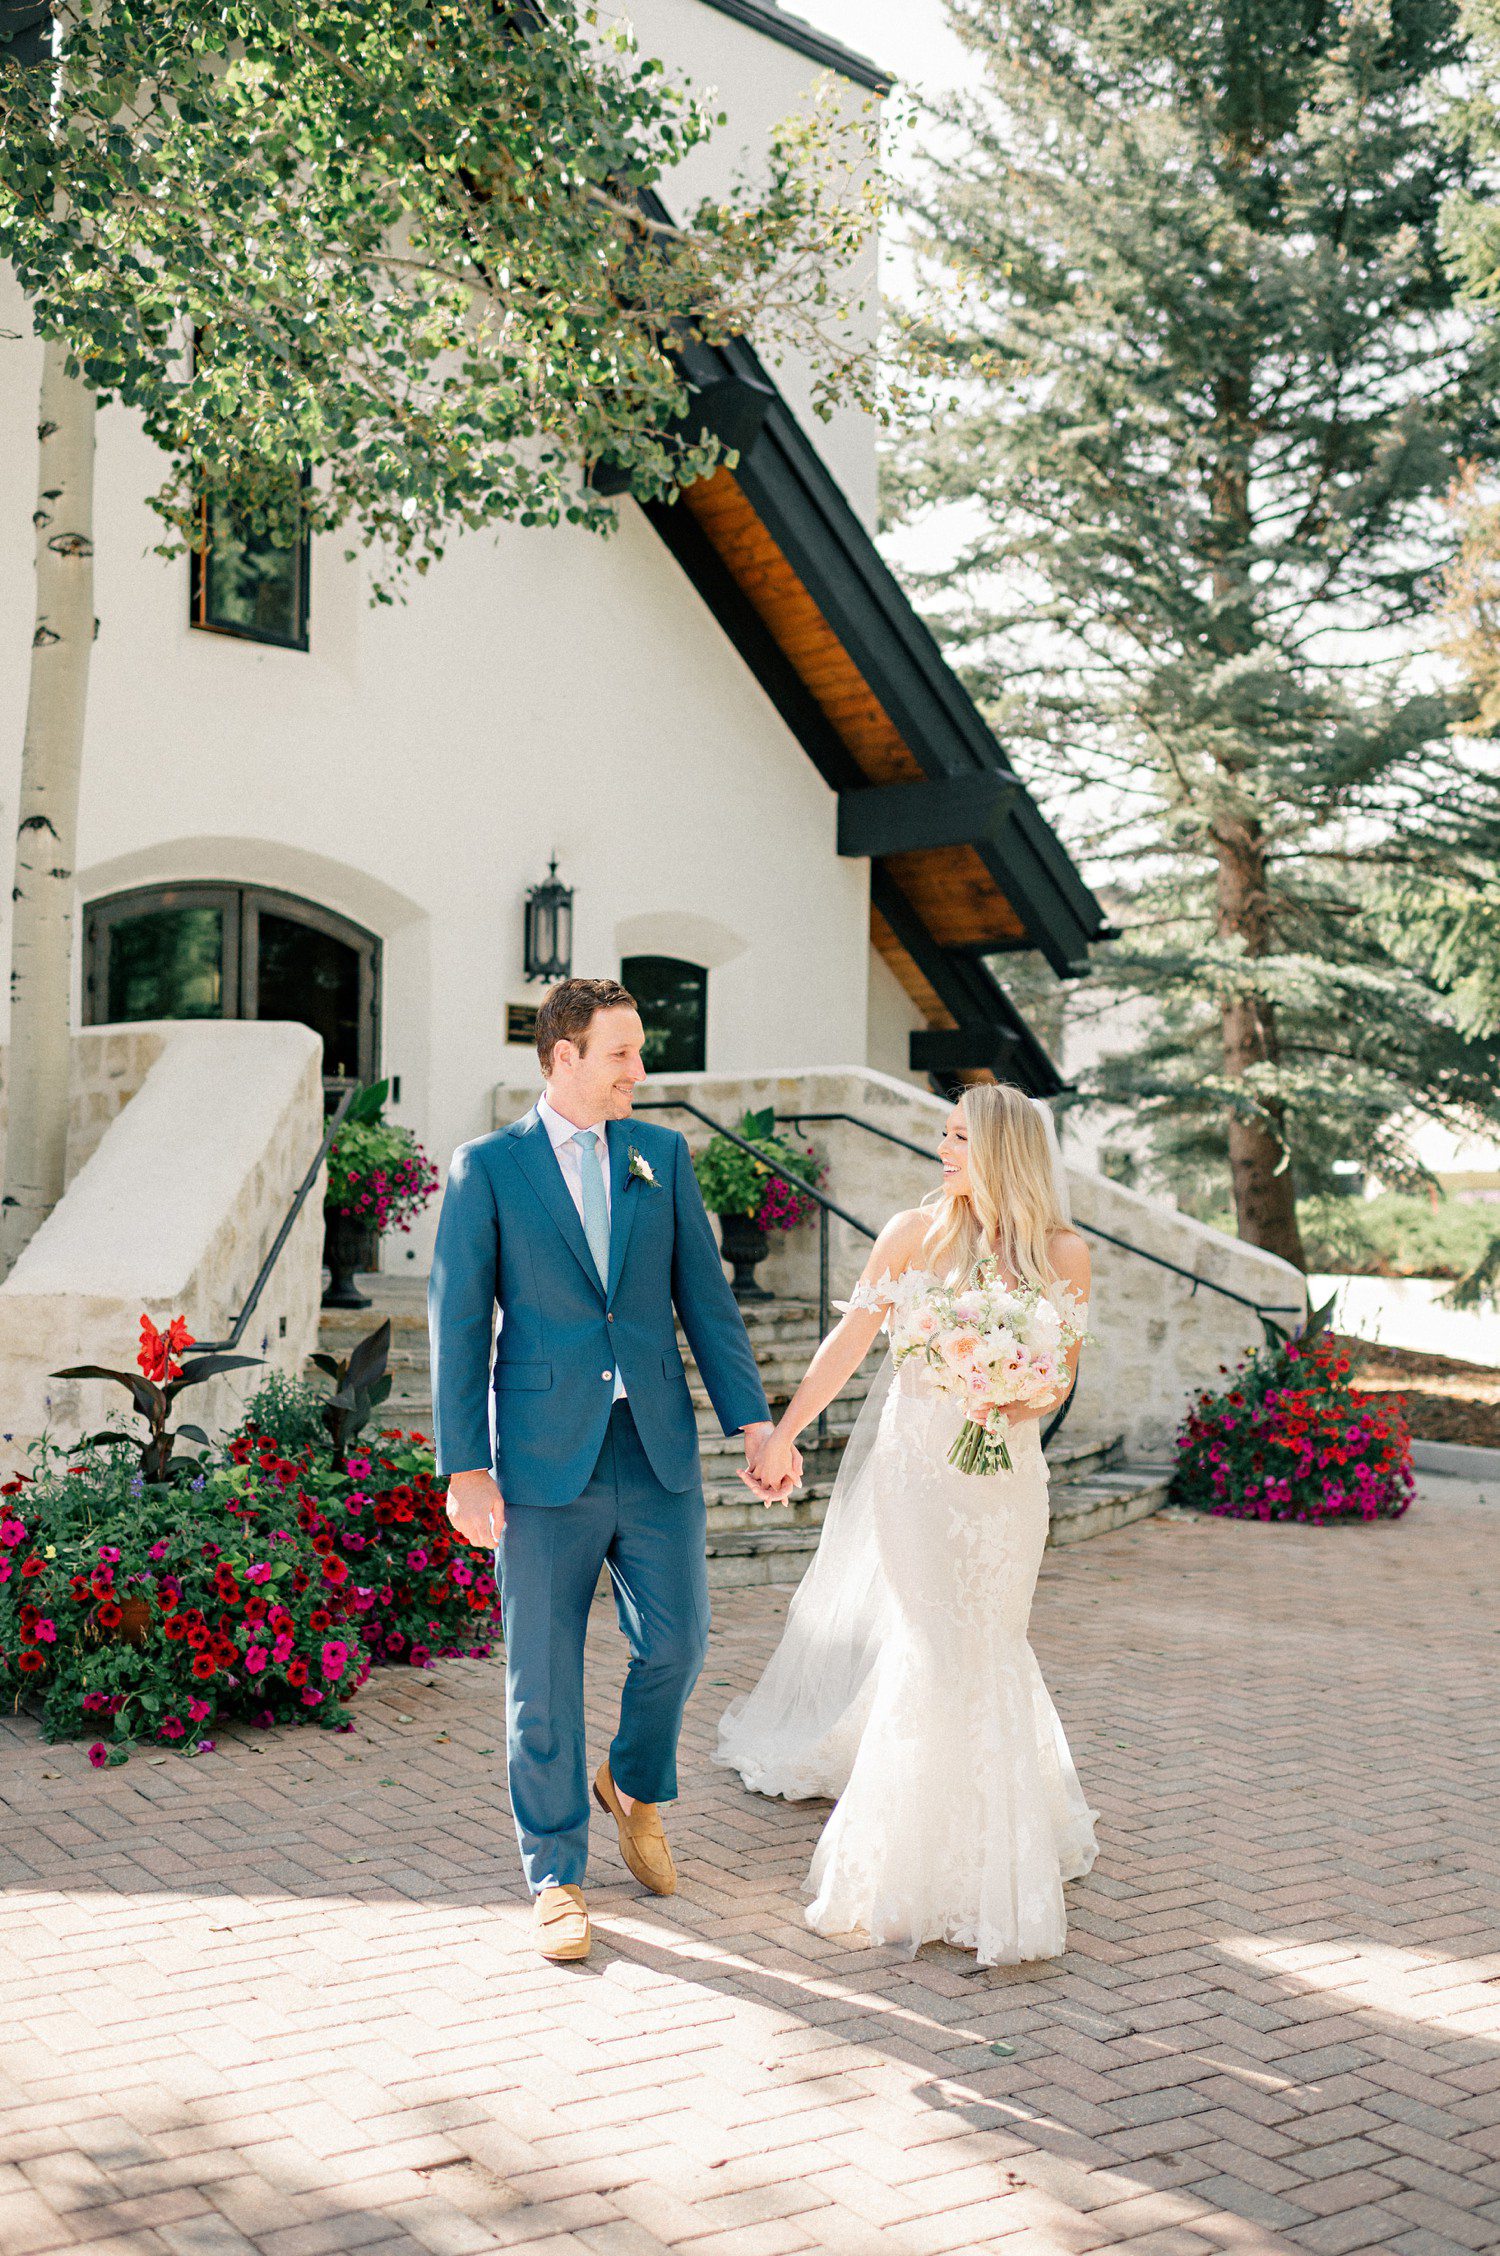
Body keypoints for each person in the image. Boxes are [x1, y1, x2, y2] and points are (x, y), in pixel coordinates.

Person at [429, 977, 795, 1962]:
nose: (641, 1071)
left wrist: (754, 1424)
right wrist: (464, 1465)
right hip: (543, 1457)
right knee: (541, 1675)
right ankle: (555, 1875)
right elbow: (458, 1324)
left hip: (656, 1445)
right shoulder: (488, 1169)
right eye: (623, 1053)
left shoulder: (661, 1157)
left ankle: (631, 1784)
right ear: (566, 1056)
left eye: (639, 1051)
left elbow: (707, 1307)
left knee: (678, 1640)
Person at [717, 1083, 1099, 1967]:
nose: (944, 1148)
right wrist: (783, 1432)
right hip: (918, 1476)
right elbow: (849, 1343)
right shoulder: (910, 1234)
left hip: (1007, 1482)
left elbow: (1058, 1379)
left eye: (960, 1136)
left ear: (1003, 1149)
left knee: (993, 1642)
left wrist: (1004, 1388)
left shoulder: (1064, 1254)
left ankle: (997, 1835)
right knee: (933, 1643)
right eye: (944, 1132)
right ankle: (903, 1860)